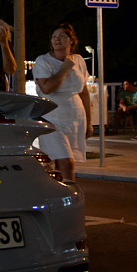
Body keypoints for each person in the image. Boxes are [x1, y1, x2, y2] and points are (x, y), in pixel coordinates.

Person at [32, 23, 91, 182]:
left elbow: (84, 91)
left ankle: (56, 192)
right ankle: (71, 195)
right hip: (52, 117)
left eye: (62, 36)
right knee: (66, 162)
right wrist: (64, 68)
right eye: (54, 36)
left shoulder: (78, 60)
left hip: (75, 117)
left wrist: (90, 122)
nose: (57, 39)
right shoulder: (43, 61)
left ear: (71, 40)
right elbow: (47, 88)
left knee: (61, 161)